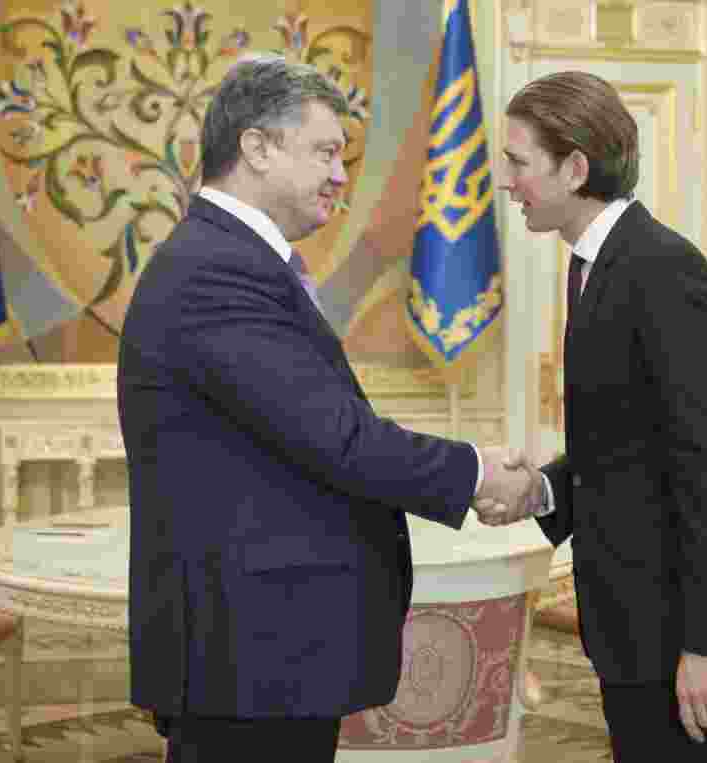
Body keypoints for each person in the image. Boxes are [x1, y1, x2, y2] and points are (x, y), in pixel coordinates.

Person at [116, 54, 533, 763]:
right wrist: (476, 472)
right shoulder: (216, 270)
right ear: (257, 146)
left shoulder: (232, 260)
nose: (341, 175)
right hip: (244, 657)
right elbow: (335, 436)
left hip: (260, 653)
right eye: (326, 151)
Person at [481, 71, 707, 761]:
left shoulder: (663, 271)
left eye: (519, 161)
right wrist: (543, 490)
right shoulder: (597, 266)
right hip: (633, 624)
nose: (507, 179)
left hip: (680, 630)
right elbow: (622, 445)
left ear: (576, 167)